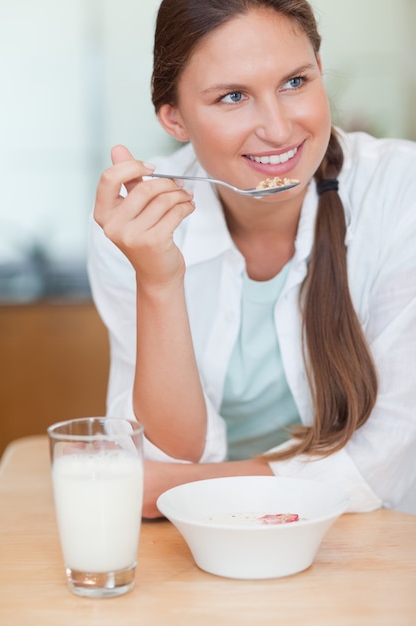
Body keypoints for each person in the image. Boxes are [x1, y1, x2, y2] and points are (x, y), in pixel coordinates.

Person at [89, 0, 416, 518]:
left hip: (370, 544)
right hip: (204, 541)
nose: (279, 128)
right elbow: (169, 451)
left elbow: (383, 466)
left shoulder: (401, 192)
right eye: (234, 96)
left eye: (295, 82)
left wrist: (174, 488)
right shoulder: (140, 224)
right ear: (175, 118)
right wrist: (158, 281)